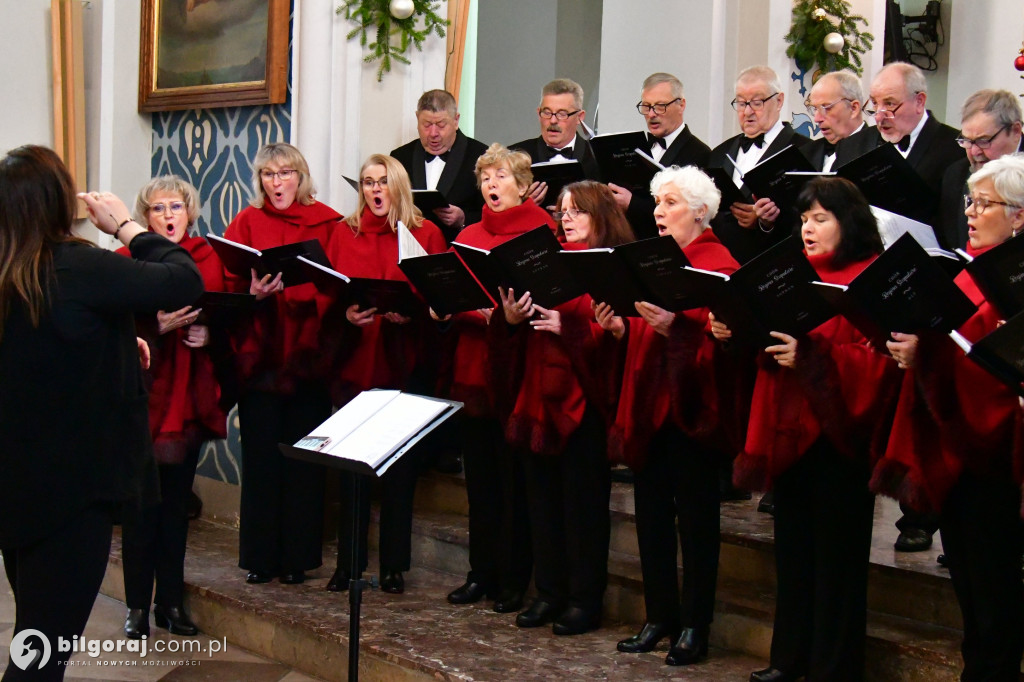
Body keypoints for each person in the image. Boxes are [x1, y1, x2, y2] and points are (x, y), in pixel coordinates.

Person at [0, 145, 203, 680]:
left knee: (35, 637)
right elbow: (183, 278)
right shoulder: (77, 265)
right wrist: (126, 227)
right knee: (40, 658)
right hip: (74, 493)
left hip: (18, 487)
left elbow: (44, 352)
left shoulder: (10, 271)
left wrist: (116, 344)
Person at [712, 177, 900, 682]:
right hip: (790, 432)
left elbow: (880, 363)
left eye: (820, 219)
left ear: (850, 223)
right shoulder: (791, 277)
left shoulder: (868, 280)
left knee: (837, 561)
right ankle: (788, 657)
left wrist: (813, 357)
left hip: (841, 440)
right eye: (803, 220)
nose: (808, 229)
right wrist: (732, 331)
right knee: (793, 554)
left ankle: (831, 667)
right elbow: (765, 344)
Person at [875, 153, 1024, 682]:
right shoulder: (965, 271)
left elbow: (995, 362)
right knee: (967, 579)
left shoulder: (1013, 279)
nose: (971, 213)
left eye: (984, 204)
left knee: (995, 588)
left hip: (996, 455)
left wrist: (929, 356)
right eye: (970, 202)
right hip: (953, 450)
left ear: (1019, 216)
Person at [604, 166, 742, 666]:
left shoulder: (719, 266)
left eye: (671, 203)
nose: (659, 212)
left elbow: (727, 348)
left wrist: (676, 330)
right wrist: (625, 329)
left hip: (694, 413)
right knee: (651, 517)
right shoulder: (651, 262)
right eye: (657, 203)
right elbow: (645, 328)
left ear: (701, 212)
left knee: (697, 523)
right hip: (650, 406)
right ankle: (658, 615)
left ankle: (694, 624)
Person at [491, 180, 633, 635]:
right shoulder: (544, 259)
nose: (566, 218)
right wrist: (510, 319)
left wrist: (569, 327)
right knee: (542, 505)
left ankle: (584, 600)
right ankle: (548, 593)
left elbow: (622, 343)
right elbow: (513, 326)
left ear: (600, 216)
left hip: (585, 405)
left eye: (577, 211)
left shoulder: (615, 266)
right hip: (537, 397)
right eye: (562, 211)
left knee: (582, 509)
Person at [320, 154, 446, 594]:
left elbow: (441, 295)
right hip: (357, 362)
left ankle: (394, 566)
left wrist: (414, 317)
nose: (375, 191)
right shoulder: (344, 231)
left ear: (398, 187)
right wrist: (347, 317)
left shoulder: (425, 233)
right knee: (350, 466)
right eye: (368, 183)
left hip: (404, 361)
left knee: (400, 469)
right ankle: (348, 562)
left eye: (383, 182)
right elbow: (329, 295)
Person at [223, 142, 343, 585]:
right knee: (261, 460)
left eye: (285, 173)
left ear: (300, 176)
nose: (278, 183)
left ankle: (297, 559)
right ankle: (260, 558)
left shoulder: (327, 223)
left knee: (303, 462)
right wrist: (254, 295)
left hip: (310, 357)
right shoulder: (247, 222)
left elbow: (339, 284)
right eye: (269, 175)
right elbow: (228, 280)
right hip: (264, 358)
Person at [119, 176, 231, 640]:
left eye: (176, 207)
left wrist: (211, 335)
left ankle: (170, 602)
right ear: (144, 218)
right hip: (142, 402)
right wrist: (152, 327)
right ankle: (135, 608)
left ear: (190, 212)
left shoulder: (206, 258)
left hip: (188, 400)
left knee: (175, 509)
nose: (168, 216)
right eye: (158, 208)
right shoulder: (124, 262)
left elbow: (229, 319)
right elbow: (107, 331)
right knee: (140, 511)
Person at [443, 143, 547, 614]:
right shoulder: (468, 233)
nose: (491, 185)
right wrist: (467, 308)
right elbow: (454, 288)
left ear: (523, 186)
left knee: (515, 483)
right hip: (473, 362)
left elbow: (550, 296)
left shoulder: (542, 230)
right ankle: (479, 573)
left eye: (502, 176)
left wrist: (509, 317)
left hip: (521, 367)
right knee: (480, 481)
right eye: (486, 177)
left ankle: (513, 579)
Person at [866, 61, 962, 552]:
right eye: (875, 105)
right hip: (890, 282)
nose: (880, 115)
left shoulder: (950, 149)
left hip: (935, 283)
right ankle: (911, 502)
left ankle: (928, 515)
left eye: (890, 105)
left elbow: (955, 227)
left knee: (929, 400)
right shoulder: (872, 149)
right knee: (901, 403)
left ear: (920, 102)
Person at [708, 65, 811, 264]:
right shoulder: (719, 153)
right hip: (722, 264)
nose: (747, 112)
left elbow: (809, 216)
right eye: (740, 103)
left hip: (771, 265)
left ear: (779, 101)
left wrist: (766, 223)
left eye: (757, 102)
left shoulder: (804, 151)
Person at [608, 72, 712, 239]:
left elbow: (689, 215)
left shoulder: (700, 153)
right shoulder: (635, 147)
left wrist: (632, 204)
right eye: (646, 106)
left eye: (660, 106)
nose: (651, 114)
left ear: (681, 105)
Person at [390, 89, 488, 243]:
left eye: (441, 125)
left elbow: (495, 212)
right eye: (427, 125)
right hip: (411, 249)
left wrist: (463, 218)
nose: (433, 133)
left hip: (458, 251)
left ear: (456, 120)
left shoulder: (481, 155)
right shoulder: (400, 157)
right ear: (417, 118)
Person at [937, 89, 1024, 250]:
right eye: (967, 141)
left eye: (983, 141)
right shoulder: (955, 174)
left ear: (1016, 131)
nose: (975, 152)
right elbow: (953, 243)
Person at [510, 78, 600, 208]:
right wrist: (521, 205)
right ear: (538, 113)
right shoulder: (513, 157)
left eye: (562, 114)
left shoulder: (597, 157)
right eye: (547, 112)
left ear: (579, 117)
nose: (553, 120)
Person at [803, 69, 868, 173]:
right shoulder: (806, 154)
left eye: (826, 107)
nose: (817, 119)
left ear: (854, 108)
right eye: (815, 109)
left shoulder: (878, 149)